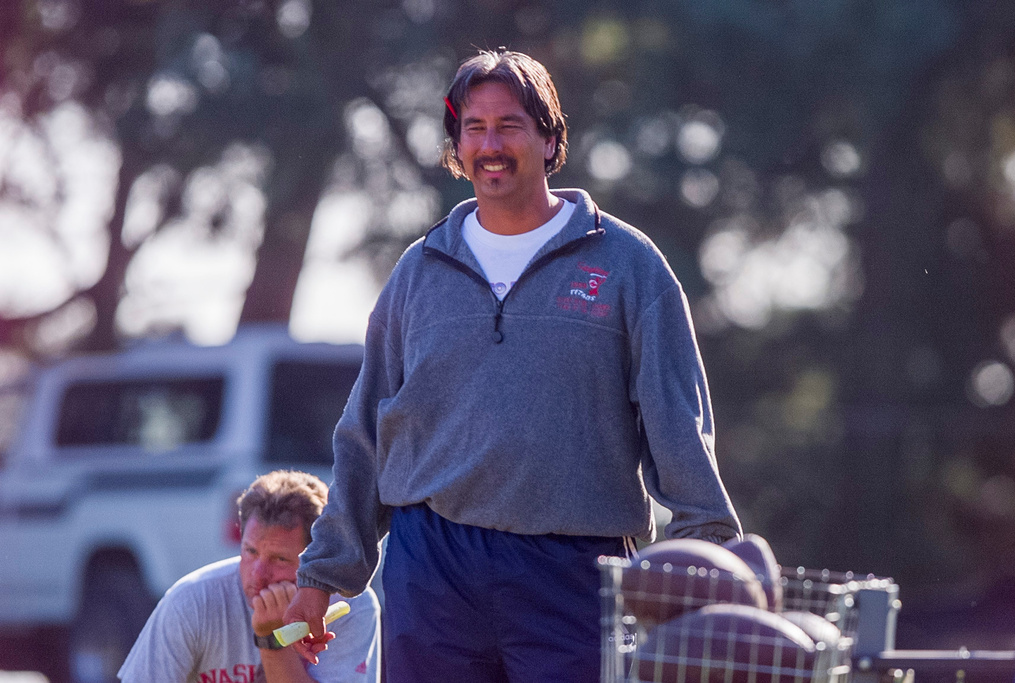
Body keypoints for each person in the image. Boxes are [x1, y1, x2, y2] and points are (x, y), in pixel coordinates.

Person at [285, 49, 742, 681]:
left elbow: (678, 423)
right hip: (432, 567)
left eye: (510, 126)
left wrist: (709, 551)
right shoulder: (419, 272)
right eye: (474, 128)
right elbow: (365, 431)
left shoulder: (629, 265)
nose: (490, 145)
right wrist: (323, 574)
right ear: (456, 146)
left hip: (577, 570)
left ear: (551, 139)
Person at [118, 470, 380, 683]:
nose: (259, 574)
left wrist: (272, 640)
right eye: (250, 551)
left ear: (315, 558)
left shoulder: (349, 605)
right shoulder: (190, 601)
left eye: (280, 559)